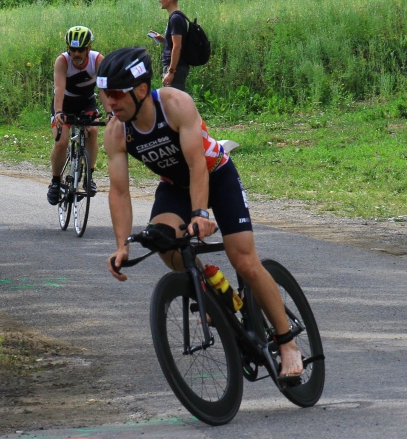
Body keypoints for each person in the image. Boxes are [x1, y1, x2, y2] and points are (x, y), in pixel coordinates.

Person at [98, 47, 304, 381]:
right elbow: (119, 191)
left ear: (140, 90)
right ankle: (218, 293)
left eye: (116, 94)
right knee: (164, 244)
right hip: (174, 186)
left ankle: (287, 342)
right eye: (105, 95)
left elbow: (197, 165)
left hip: (216, 174)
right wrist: (122, 245)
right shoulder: (116, 133)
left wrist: (200, 214)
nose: (110, 103)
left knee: (244, 260)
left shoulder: (175, 104)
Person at [47, 25, 103, 206]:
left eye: (81, 50)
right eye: (72, 49)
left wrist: (111, 112)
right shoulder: (62, 61)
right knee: (61, 142)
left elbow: (104, 89)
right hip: (65, 104)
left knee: (92, 131)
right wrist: (58, 112)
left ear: (89, 48)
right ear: (68, 48)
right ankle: (56, 182)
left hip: (87, 102)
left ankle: (89, 176)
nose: (76, 53)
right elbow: (59, 89)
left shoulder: (98, 60)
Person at [149, 0, 189, 91]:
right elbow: (176, 43)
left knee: (172, 99)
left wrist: (171, 72)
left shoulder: (176, 18)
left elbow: (177, 46)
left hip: (175, 67)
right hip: (176, 67)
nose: (159, 1)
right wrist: (163, 40)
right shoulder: (176, 17)